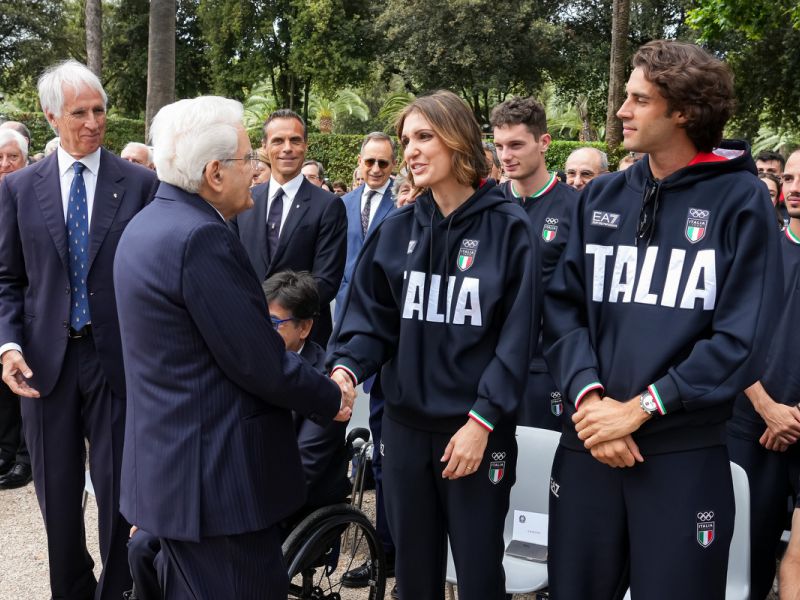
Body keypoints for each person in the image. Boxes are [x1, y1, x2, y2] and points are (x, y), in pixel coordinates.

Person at [543, 40, 783, 600]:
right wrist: (591, 401)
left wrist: (641, 409)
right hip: (590, 441)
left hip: (680, 453)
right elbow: (562, 306)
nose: (621, 111)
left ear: (683, 111)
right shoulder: (601, 194)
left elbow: (740, 340)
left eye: (637, 99)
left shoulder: (743, 201)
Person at [114, 95, 350, 600]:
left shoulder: (146, 225)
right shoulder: (202, 238)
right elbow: (258, 360)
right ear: (215, 173)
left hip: (172, 471)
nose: (257, 168)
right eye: (249, 158)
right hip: (216, 483)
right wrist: (331, 398)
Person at [329, 90, 538, 600]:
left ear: (459, 141)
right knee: (415, 573)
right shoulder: (397, 229)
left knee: (478, 571)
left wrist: (481, 421)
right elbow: (371, 320)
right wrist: (346, 371)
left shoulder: (511, 229)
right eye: (407, 140)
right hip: (402, 429)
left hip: (473, 432)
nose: (411, 151)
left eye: (425, 137)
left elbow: (517, 339)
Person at [0, 59, 158, 600]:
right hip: (45, 364)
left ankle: (116, 591)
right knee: (57, 494)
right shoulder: (20, 189)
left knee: (120, 492)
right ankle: (70, 589)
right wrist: (9, 345)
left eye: (99, 110)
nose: (93, 122)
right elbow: (7, 278)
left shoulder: (140, 183)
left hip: (118, 361)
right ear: (50, 116)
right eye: (79, 113)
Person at [727, 149, 800, 599]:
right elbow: (723, 335)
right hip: (752, 422)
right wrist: (767, 407)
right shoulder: (758, 248)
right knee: (746, 559)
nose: (794, 187)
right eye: (789, 177)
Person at [334, 131, 399, 590]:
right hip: (347, 340)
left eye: (384, 163)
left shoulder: (409, 207)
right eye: (370, 163)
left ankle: (392, 551)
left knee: (388, 458)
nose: (376, 170)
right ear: (359, 163)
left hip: (390, 345)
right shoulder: (341, 206)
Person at [491, 96, 578, 430]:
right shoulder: (489, 204)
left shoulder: (576, 208)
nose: (506, 156)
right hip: (491, 362)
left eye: (516, 144)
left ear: (544, 142)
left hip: (547, 367)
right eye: (499, 146)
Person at [233, 109, 347, 348]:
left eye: (295, 140)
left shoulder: (328, 206)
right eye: (278, 140)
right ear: (264, 146)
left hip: (303, 338)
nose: (287, 148)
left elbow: (326, 280)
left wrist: (281, 318)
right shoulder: (243, 200)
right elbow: (230, 266)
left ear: (305, 145)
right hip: (246, 332)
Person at [0, 128, 31, 490]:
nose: (6, 165)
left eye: (13, 157)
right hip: (4, 303)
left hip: (26, 304)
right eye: (0, 158)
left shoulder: (31, 194)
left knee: (25, 383)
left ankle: (25, 456)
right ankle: (6, 449)